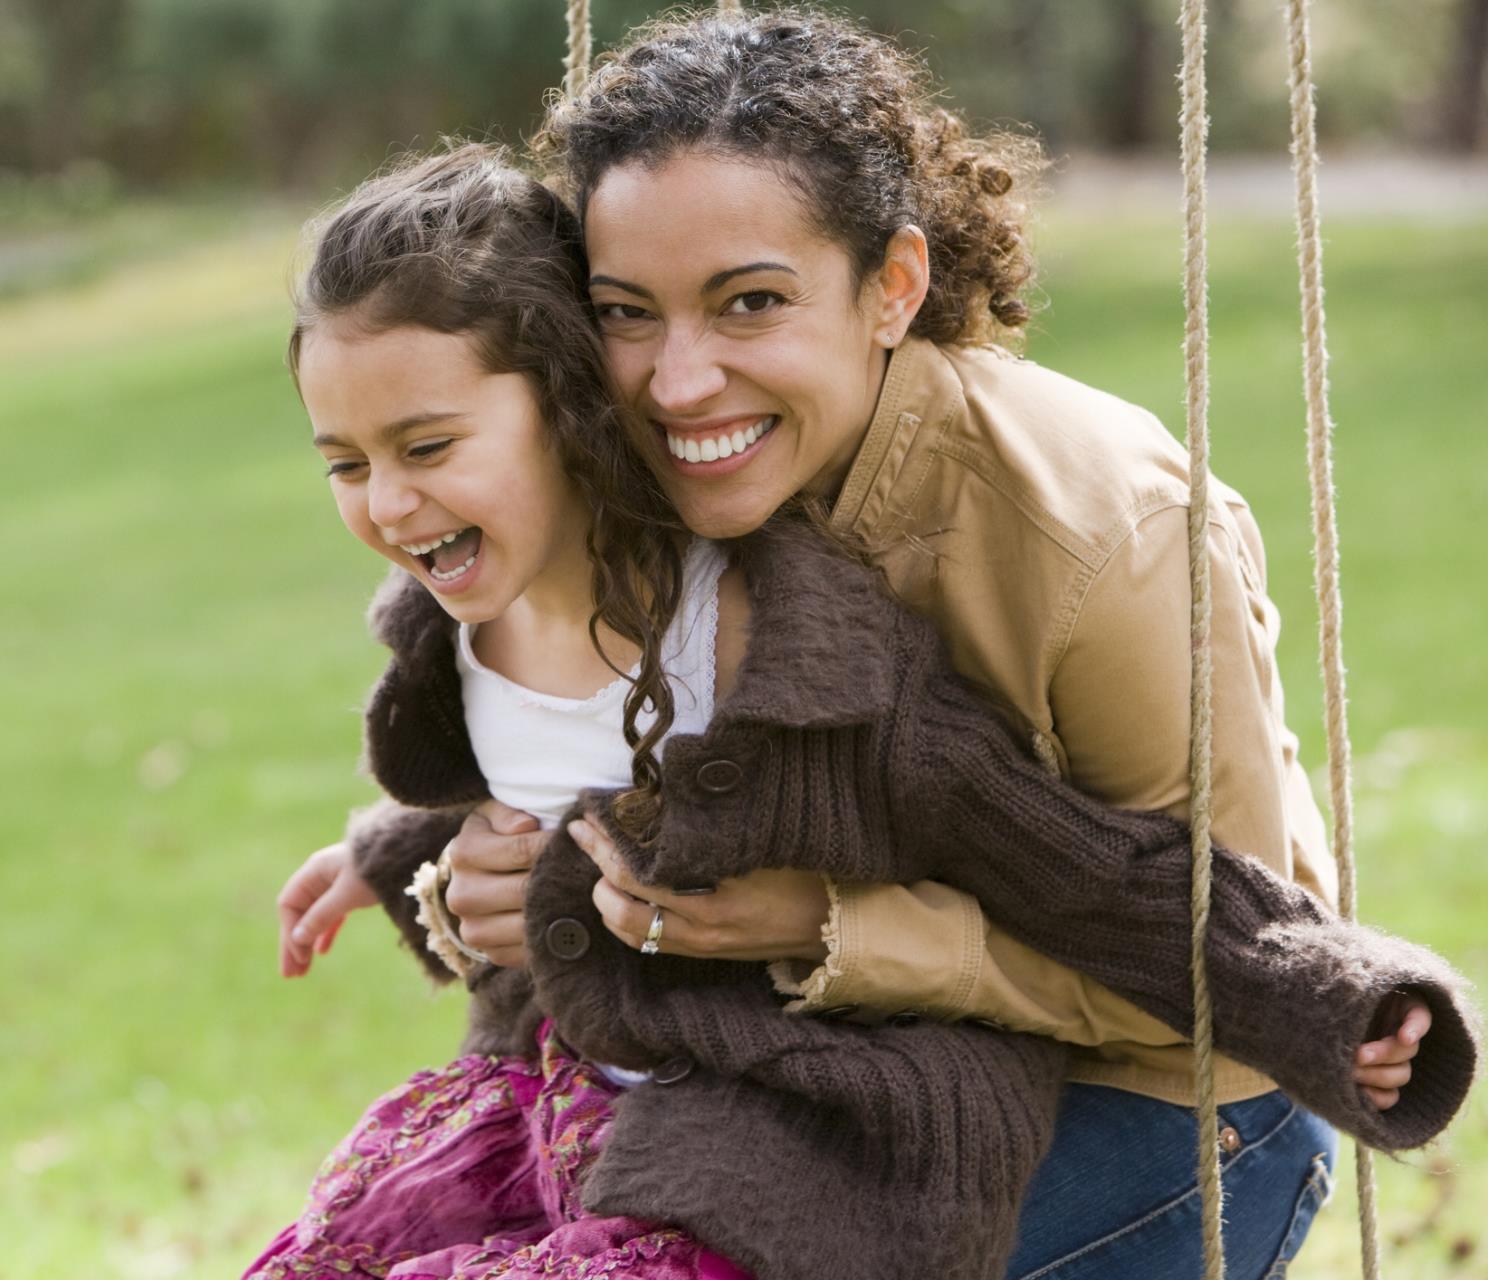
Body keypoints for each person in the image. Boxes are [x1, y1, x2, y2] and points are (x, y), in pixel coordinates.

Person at [256, 143, 1476, 1280]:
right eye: (347, 464)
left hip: (809, 1109)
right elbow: (543, 799)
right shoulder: (455, 616)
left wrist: (1328, 995)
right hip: (584, 1094)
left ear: (568, 404)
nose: (389, 503)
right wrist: (394, 854)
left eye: (426, 445)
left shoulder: (787, 656)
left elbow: (1079, 866)